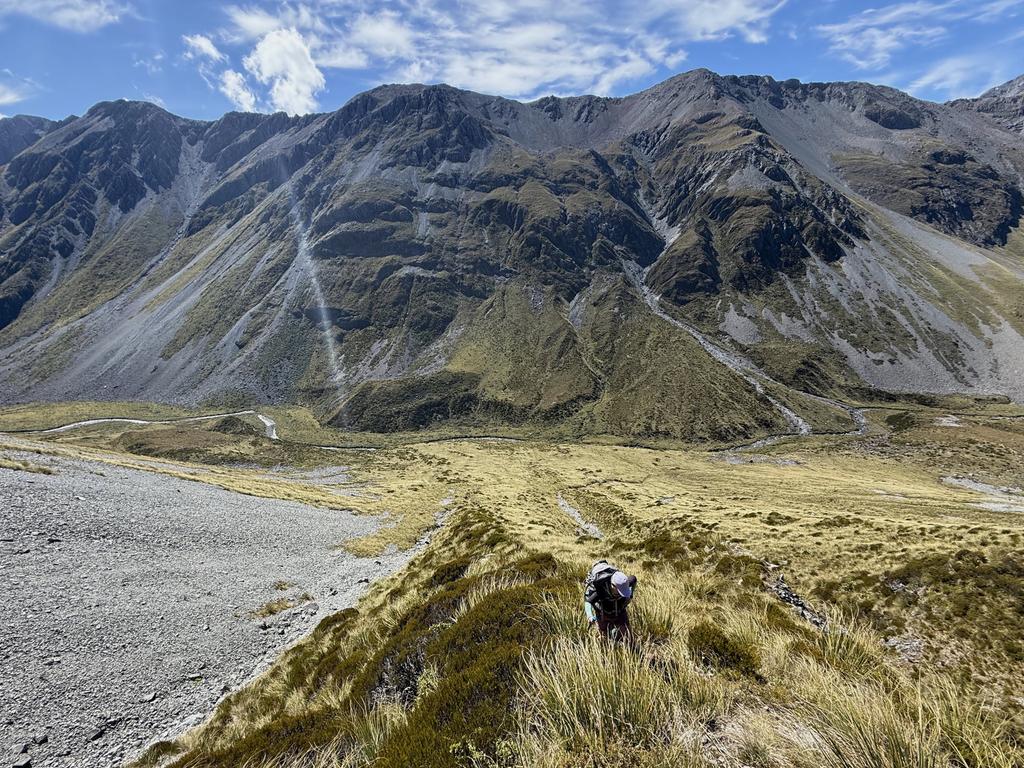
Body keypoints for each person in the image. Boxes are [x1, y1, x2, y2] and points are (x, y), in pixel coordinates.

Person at [583, 560, 638, 642]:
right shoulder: (600, 589)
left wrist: (630, 594)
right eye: (619, 592)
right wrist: (590, 616)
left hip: (619, 609)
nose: (621, 594)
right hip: (602, 611)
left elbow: (633, 579)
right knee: (604, 635)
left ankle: (630, 646)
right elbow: (588, 601)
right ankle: (605, 645)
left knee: (627, 634)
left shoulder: (625, 583)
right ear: (613, 586)